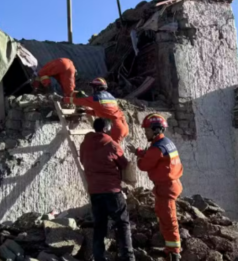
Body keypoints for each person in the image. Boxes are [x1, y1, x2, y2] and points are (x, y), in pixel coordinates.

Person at [128, 114, 184, 261]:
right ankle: (170, 248)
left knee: (168, 219)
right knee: (163, 215)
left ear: (156, 130)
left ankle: (174, 252)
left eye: (147, 130)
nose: (145, 132)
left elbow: (145, 165)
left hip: (166, 188)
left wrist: (139, 158)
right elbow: (154, 155)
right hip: (170, 184)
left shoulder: (157, 148)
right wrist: (139, 152)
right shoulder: (165, 143)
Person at [80, 118, 135, 261]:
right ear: (106, 129)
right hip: (112, 191)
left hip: (94, 191)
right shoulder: (112, 145)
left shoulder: (85, 144)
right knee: (122, 223)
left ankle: (99, 257)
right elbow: (124, 164)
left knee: (99, 226)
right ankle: (127, 257)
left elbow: (82, 160)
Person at [62, 77, 129, 143]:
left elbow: (80, 101)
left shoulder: (96, 98)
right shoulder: (111, 97)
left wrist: (64, 99)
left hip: (116, 128)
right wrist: (87, 111)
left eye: (93, 87)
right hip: (124, 125)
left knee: (110, 152)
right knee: (112, 151)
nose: (92, 89)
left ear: (97, 88)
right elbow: (105, 112)